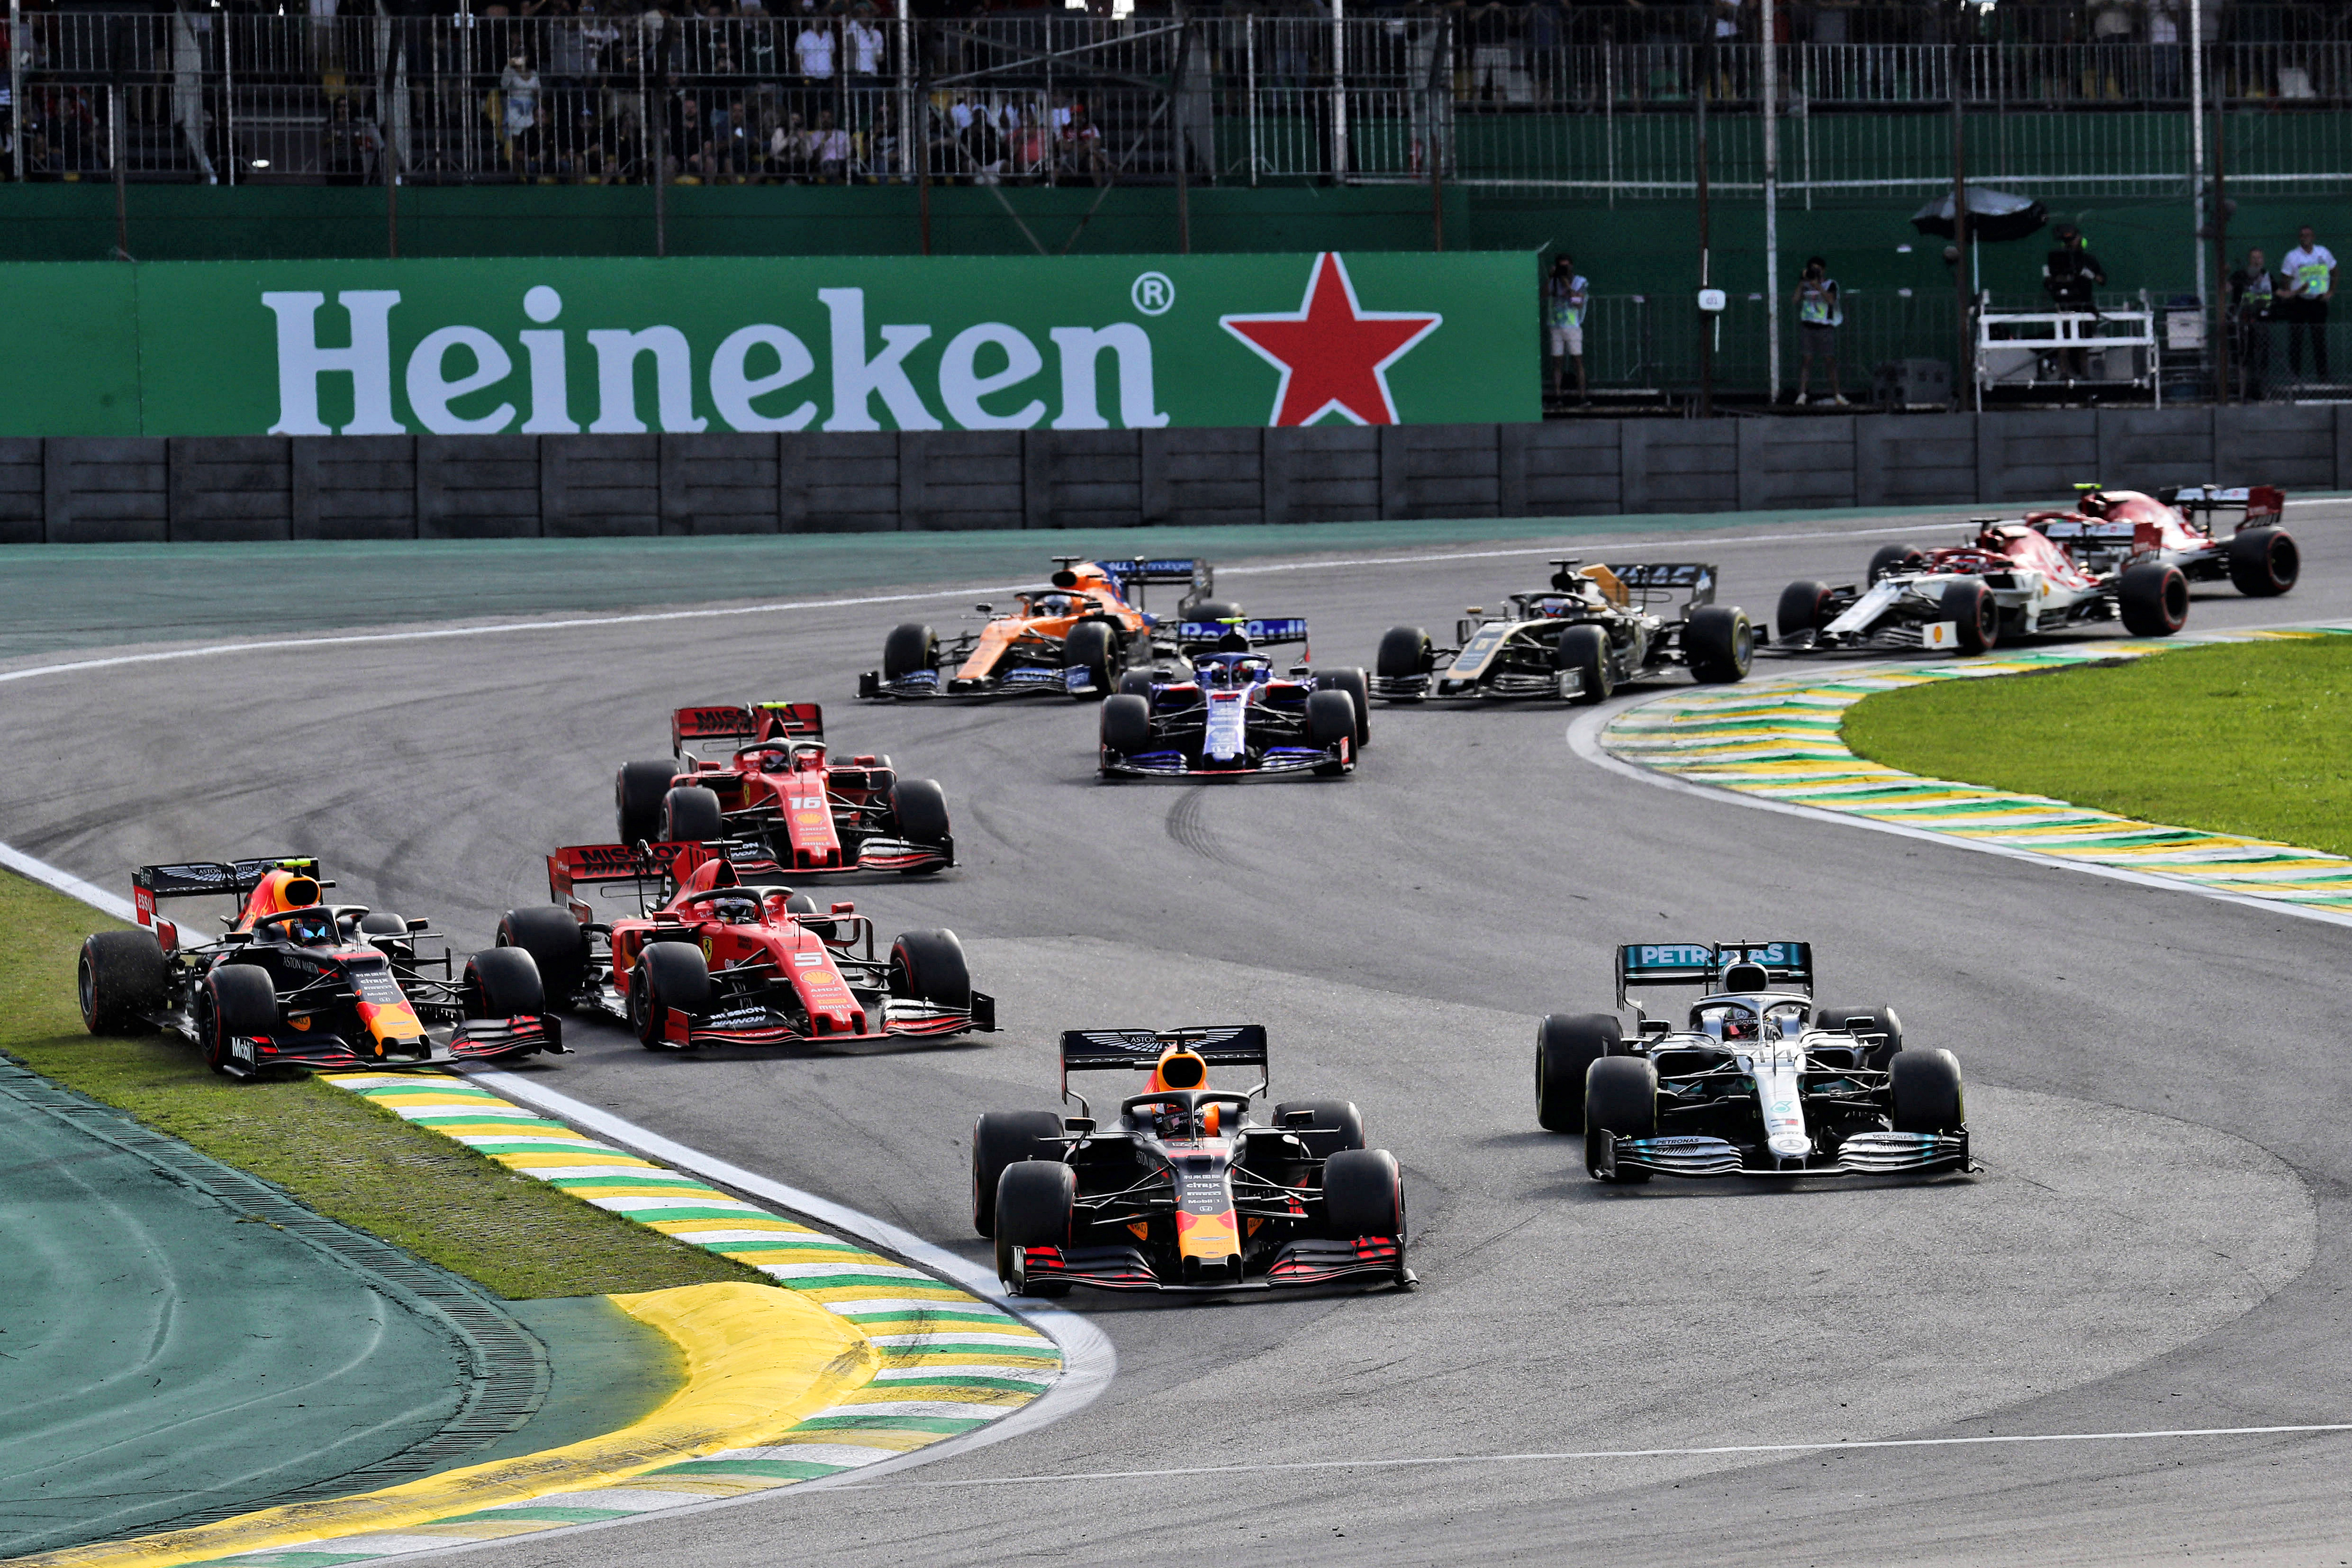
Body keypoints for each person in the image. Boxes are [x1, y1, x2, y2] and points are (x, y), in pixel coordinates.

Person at [2042, 224, 2106, 381]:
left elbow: (2102, 279)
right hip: (2065, 306)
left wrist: (2088, 275)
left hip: (2084, 305)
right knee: (2063, 340)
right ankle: (2064, 374)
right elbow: (2049, 281)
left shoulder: (2089, 260)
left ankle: (2085, 375)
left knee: (2083, 342)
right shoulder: (2058, 259)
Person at [2280, 225, 2335, 384]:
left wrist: (2330, 291)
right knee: (2296, 339)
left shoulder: (2323, 253)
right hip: (2299, 302)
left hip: (2319, 302)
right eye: (2303, 235)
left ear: (2314, 237)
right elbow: (2285, 278)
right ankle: (2294, 377)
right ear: (2300, 238)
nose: (2306, 238)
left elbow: (2335, 271)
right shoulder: (2292, 256)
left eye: (2309, 235)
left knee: (2319, 340)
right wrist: (2290, 295)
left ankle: (2323, 377)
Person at [1792, 255, 1845, 405]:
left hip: (1825, 327)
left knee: (1830, 361)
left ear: (1823, 270)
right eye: (1812, 269)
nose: (1815, 272)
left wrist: (1818, 286)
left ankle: (1838, 395)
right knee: (1806, 361)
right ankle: (1802, 395)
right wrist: (1802, 284)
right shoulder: (1806, 284)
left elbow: (1831, 300)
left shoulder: (1831, 284)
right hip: (1808, 326)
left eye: (1818, 269)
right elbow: (1795, 300)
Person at [2228, 246, 2276, 401]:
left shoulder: (2267, 276)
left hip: (2262, 322)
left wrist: (2297, 292)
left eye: (2259, 258)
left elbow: (2279, 292)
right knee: (2244, 358)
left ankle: (2262, 391)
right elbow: (2226, 289)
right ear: (2249, 260)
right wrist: (2224, 274)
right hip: (2243, 324)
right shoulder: (2240, 276)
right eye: (2254, 258)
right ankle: (2243, 393)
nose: (2257, 261)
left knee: (2263, 357)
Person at [1544, 254, 1589, 402]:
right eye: (1561, 267)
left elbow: (1578, 303)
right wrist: (1551, 278)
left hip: (1572, 326)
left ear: (1571, 267)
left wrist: (1568, 286)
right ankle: (1558, 396)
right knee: (1557, 362)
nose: (1564, 270)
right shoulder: (1554, 282)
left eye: (1566, 267)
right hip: (1556, 326)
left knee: (1578, 360)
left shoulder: (1579, 282)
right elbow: (1543, 294)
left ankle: (1582, 396)